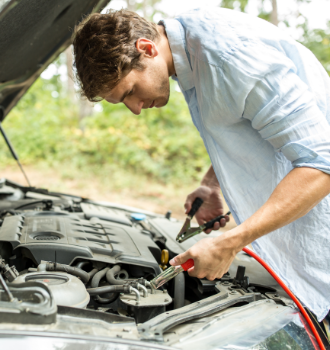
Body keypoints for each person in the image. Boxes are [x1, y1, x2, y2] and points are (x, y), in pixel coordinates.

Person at [72, 7, 330, 322]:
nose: (135, 109)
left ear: (147, 49)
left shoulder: (229, 58)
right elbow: (249, 124)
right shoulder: (188, 51)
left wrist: (231, 241)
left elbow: (322, 163)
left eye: (130, 92)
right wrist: (212, 183)